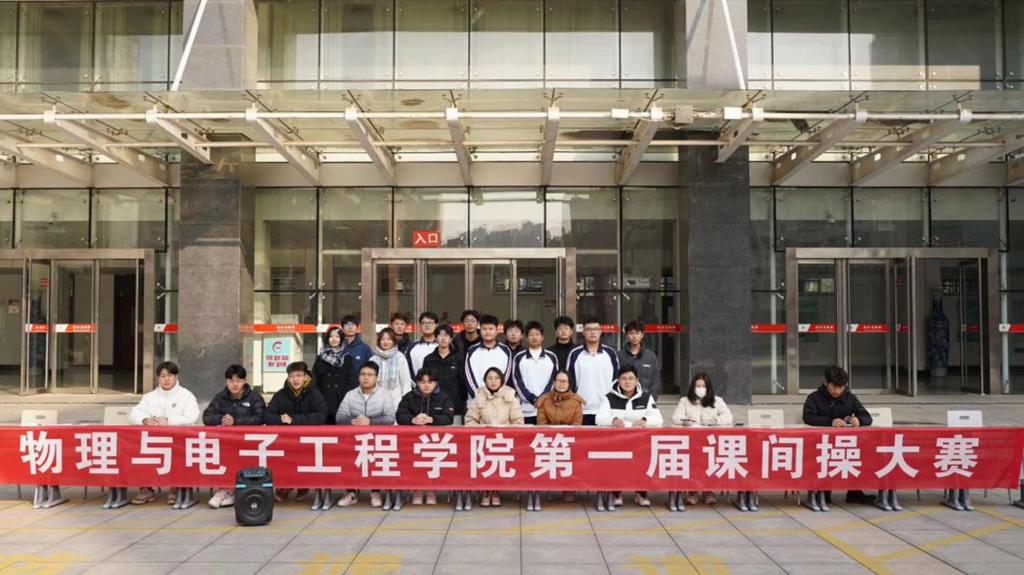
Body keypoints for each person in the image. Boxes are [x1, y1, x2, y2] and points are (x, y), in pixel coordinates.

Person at [130, 361, 200, 507]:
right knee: (138, 449)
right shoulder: (149, 397)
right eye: (162, 376)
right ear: (158, 378)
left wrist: (169, 421)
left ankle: (175, 488)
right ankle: (146, 488)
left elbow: (192, 417)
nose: (166, 379)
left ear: (176, 377)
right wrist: (145, 420)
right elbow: (134, 413)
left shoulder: (186, 396)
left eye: (170, 376)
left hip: (178, 442)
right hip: (153, 442)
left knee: (177, 452)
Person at [803, 365, 874, 509]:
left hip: (845, 444)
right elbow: (808, 417)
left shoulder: (849, 398)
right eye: (834, 386)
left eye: (840, 387)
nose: (837, 391)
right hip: (820, 444)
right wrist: (830, 422)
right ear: (826, 383)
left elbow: (867, 417)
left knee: (859, 453)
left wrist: (859, 420)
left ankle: (854, 492)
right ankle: (823, 492)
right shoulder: (814, 398)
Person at [595, 366, 662, 510]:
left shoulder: (646, 397)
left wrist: (644, 420)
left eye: (631, 378)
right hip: (616, 443)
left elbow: (658, 419)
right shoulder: (609, 397)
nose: (627, 382)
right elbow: (599, 418)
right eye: (624, 379)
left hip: (640, 443)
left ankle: (641, 493)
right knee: (617, 463)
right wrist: (613, 420)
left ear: (637, 380)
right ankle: (616, 493)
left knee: (643, 462)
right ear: (618, 380)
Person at [334, 360, 398, 509]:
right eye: (363, 374)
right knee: (351, 462)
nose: (366, 378)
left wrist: (371, 421)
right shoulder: (350, 395)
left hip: (377, 439)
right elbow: (339, 417)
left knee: (376, 462)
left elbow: (390, 418)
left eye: (370, 374)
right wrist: (352, 421)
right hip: (353, 440)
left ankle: (375, 492)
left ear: (377, 378)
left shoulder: (385, 395)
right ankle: (351, 492)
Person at [204, 364, 266, 509]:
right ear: (226, 382)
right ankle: (226, 490)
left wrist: (236, 421)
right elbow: (207, 416)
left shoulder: (254, 397)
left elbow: (261, 418)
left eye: (238, 380)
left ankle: (229, 492)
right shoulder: (220, 397)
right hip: (226, 443)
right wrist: (221, 419)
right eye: (231, 381)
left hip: (249, 443)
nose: (235, 384)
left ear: (244, 381)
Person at [265, 361, 329, 503]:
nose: (295, 379)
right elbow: (267, 415)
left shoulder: (315, 394)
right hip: (285, 440)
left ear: (305, 377)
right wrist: (281, 419)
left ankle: (302, 485)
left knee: (304, 458)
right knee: (282, 457)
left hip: (308, 440)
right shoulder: (281, 394)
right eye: (292, 376)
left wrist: (294, 419)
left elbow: (320, 416)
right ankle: (284, 486)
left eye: (299, 375)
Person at [464, 367, 524, 509]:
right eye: (490, 378)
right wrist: (483, 431)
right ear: (485, 381)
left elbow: (518, 422)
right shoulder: (478, 397)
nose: (493, 381)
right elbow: (470, 420)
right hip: (483, 440)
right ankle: (486, 491)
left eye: (496, 378)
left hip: (505, 441)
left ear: (502, 381)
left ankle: (495, 491)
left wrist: (505, 433)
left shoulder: (510, 397)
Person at [671, 373, 733, 508]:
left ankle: (708, 490)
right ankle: (693, 492)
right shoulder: (685, 401)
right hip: (691, 443)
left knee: (710, 461)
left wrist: (714, 421)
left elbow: (728, 417)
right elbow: (676, 417)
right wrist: (684, 421)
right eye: (697, 386)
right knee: (691, 460)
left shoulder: (717, 401)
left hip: (711, 443)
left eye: (703, 386)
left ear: (708, 387)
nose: (700, 389)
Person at [396, 368, 455, 506]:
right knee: (415, 463)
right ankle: (417, 490)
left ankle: (431, 490)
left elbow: (449, 418)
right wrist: (412, 420)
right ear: (417, 383)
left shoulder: (443, 397)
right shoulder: (409, 397)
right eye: (423, 382)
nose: (426, 385)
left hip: (436, 442)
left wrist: (431, 420)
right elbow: (400, 415)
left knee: (431, 464)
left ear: (436, 383)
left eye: (430, 382)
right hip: (413, 442)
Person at [531, 370, 585, 510]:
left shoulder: (576, 402)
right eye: (558, 381)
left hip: (568, 442)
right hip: (548, 442)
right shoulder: (544, 400)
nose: (561, 384)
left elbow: (577, 425)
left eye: (564, 381)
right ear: (554, 382)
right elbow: (541, 424)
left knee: (573, 455)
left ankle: (569, 488)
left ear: (569, 383)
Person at [567, 318, 619, 425]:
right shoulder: (575, 354)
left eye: (595, 329)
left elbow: (617, 380)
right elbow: (569, 382)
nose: (592, 332)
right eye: (589, 329)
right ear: (583, 332)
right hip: (582, 410)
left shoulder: (610, 353)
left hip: (606, 410)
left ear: (600, 331)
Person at [511, 321, 558, 424]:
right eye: (531, 335)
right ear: (526, 338)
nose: (534, 337)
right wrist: (533, 399)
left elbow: (554, 380)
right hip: (525, 410)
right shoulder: (519, 357)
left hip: (547, 408)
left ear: (542, 337)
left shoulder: (551, 357)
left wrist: (542, 398)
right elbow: (517, 382)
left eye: (537, 334)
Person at [312, 326, 357, 424]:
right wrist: (318, 396)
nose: (334, 339)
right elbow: (315, 379)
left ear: (341, 339)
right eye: (331, 336)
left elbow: (352, 380)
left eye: (337, 337)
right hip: (323, 398)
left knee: (341, 426)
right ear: (327, 338)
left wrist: (346, 394)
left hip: (341, 399)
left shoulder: (347, 358)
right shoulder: (320, 357)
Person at [423, 323, 468, 420]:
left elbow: (463, 383)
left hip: (455, 406)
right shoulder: (429, 359)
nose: (443, 338)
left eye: (446, 335)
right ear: (436, 338)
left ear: (451, 338)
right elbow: (424, 383)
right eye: (440, 335)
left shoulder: (459, 358)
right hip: (433, 406)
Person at [464, 314, 513, 400]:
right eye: (484, 329)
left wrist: (497, 395)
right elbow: (468, 376)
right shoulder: (472, 351)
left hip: (500, 400)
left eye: (491, 329)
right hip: (477, 400)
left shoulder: (506, 350)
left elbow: (507, 376)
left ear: (496, 331)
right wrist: (479, 396)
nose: (487, 332)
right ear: (480, 331)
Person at [370, 327, 413, 413]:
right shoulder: (373, 359)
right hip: (376, 402)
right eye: (383, 339)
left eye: (389, 339)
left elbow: (406, 382)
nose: (385, 342)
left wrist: (406, 403)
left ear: (394, 341)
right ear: (379, 341)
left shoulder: (400, 357)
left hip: (396, 401)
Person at [618, 321, 663, 400]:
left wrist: (651, 399)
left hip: (646, 400)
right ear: (627, 335)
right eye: (631, 333)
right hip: (623, 400)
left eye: (637, 333)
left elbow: (656, 381)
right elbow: (615, 379)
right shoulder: (619, 356)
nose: (634, 336)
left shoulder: (650, 356)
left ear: (642, 335)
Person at [406, 311, 440, 375]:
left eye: (430, 323)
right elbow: (407, 369)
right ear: (420, 326)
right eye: (424, 323)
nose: (427, 325)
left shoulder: (442, 345)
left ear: (437, 325)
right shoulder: (412, 346)